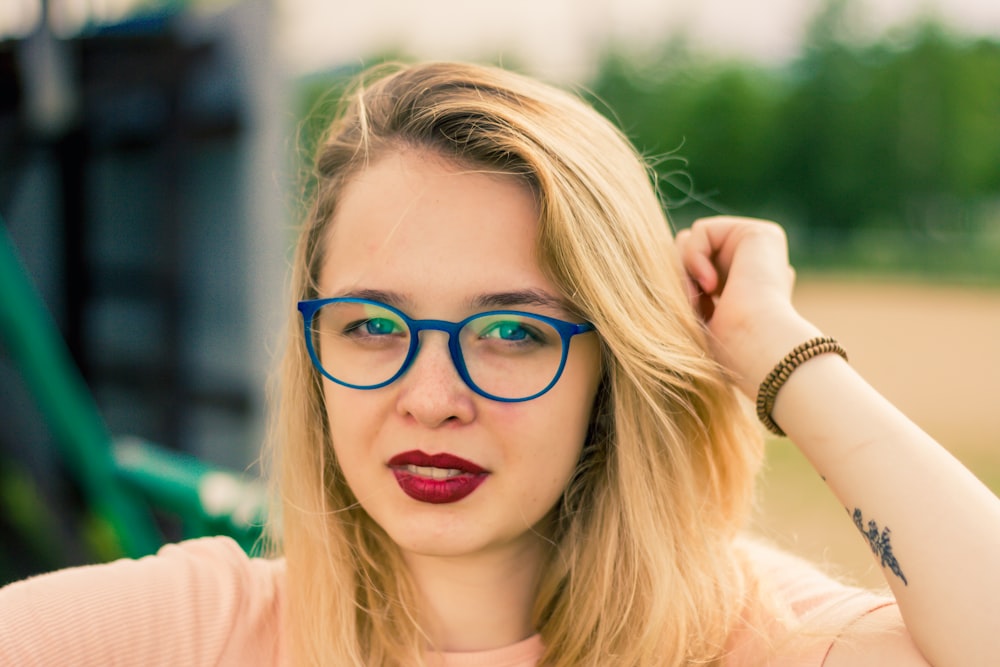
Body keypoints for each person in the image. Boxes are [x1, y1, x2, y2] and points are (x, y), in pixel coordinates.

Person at [1, 60, 998, 666]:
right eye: (372, 326)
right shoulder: (193, 632)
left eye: (512, 332)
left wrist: (776, 351)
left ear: (610, 371)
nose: (430, 399)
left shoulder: (740, 630)